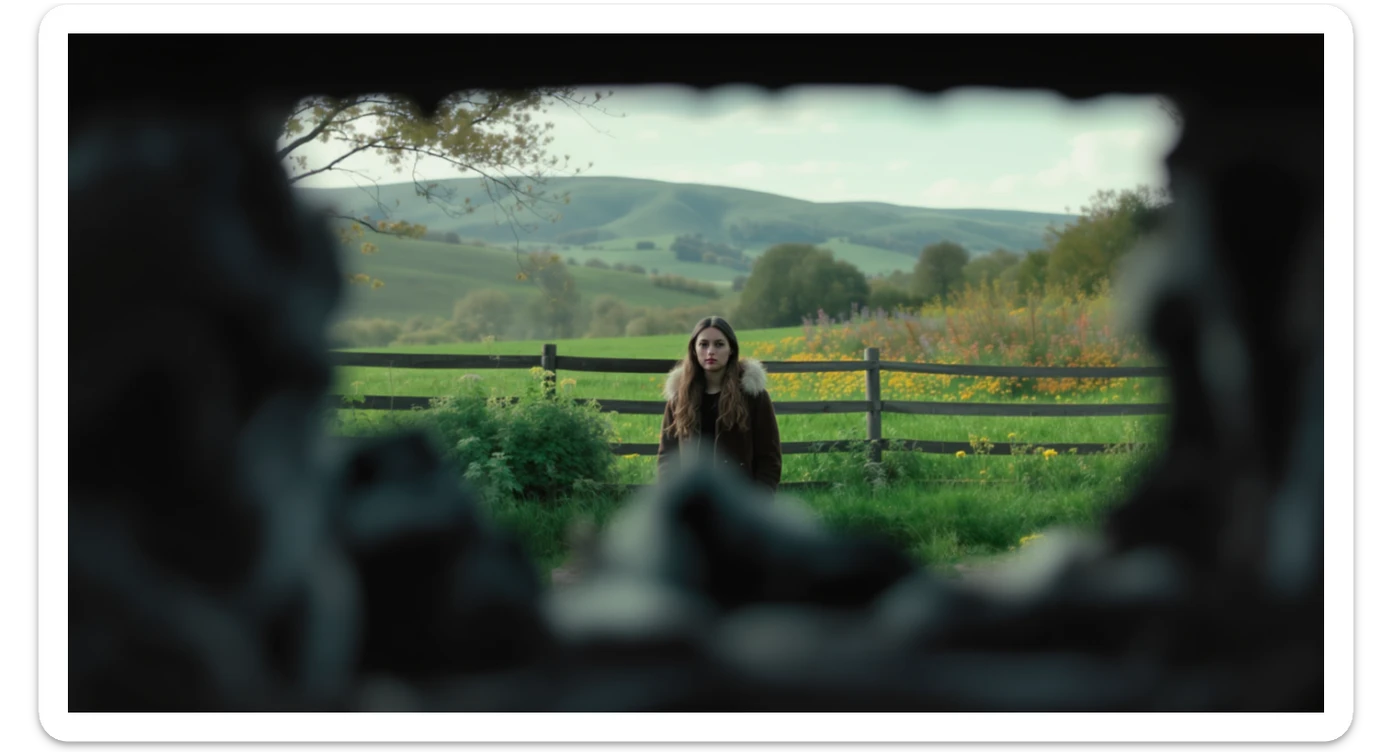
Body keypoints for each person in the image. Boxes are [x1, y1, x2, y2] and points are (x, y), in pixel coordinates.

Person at [657, 316, 782, 495]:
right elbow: (667, 457)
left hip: (739, 505)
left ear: (731, 349)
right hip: (692, 505)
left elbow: (769, 459)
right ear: (694, 349)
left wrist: (758, 504)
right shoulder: (679, 397)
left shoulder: (753, 396)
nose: (710, 351)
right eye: (704, 344)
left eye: (719, 344)